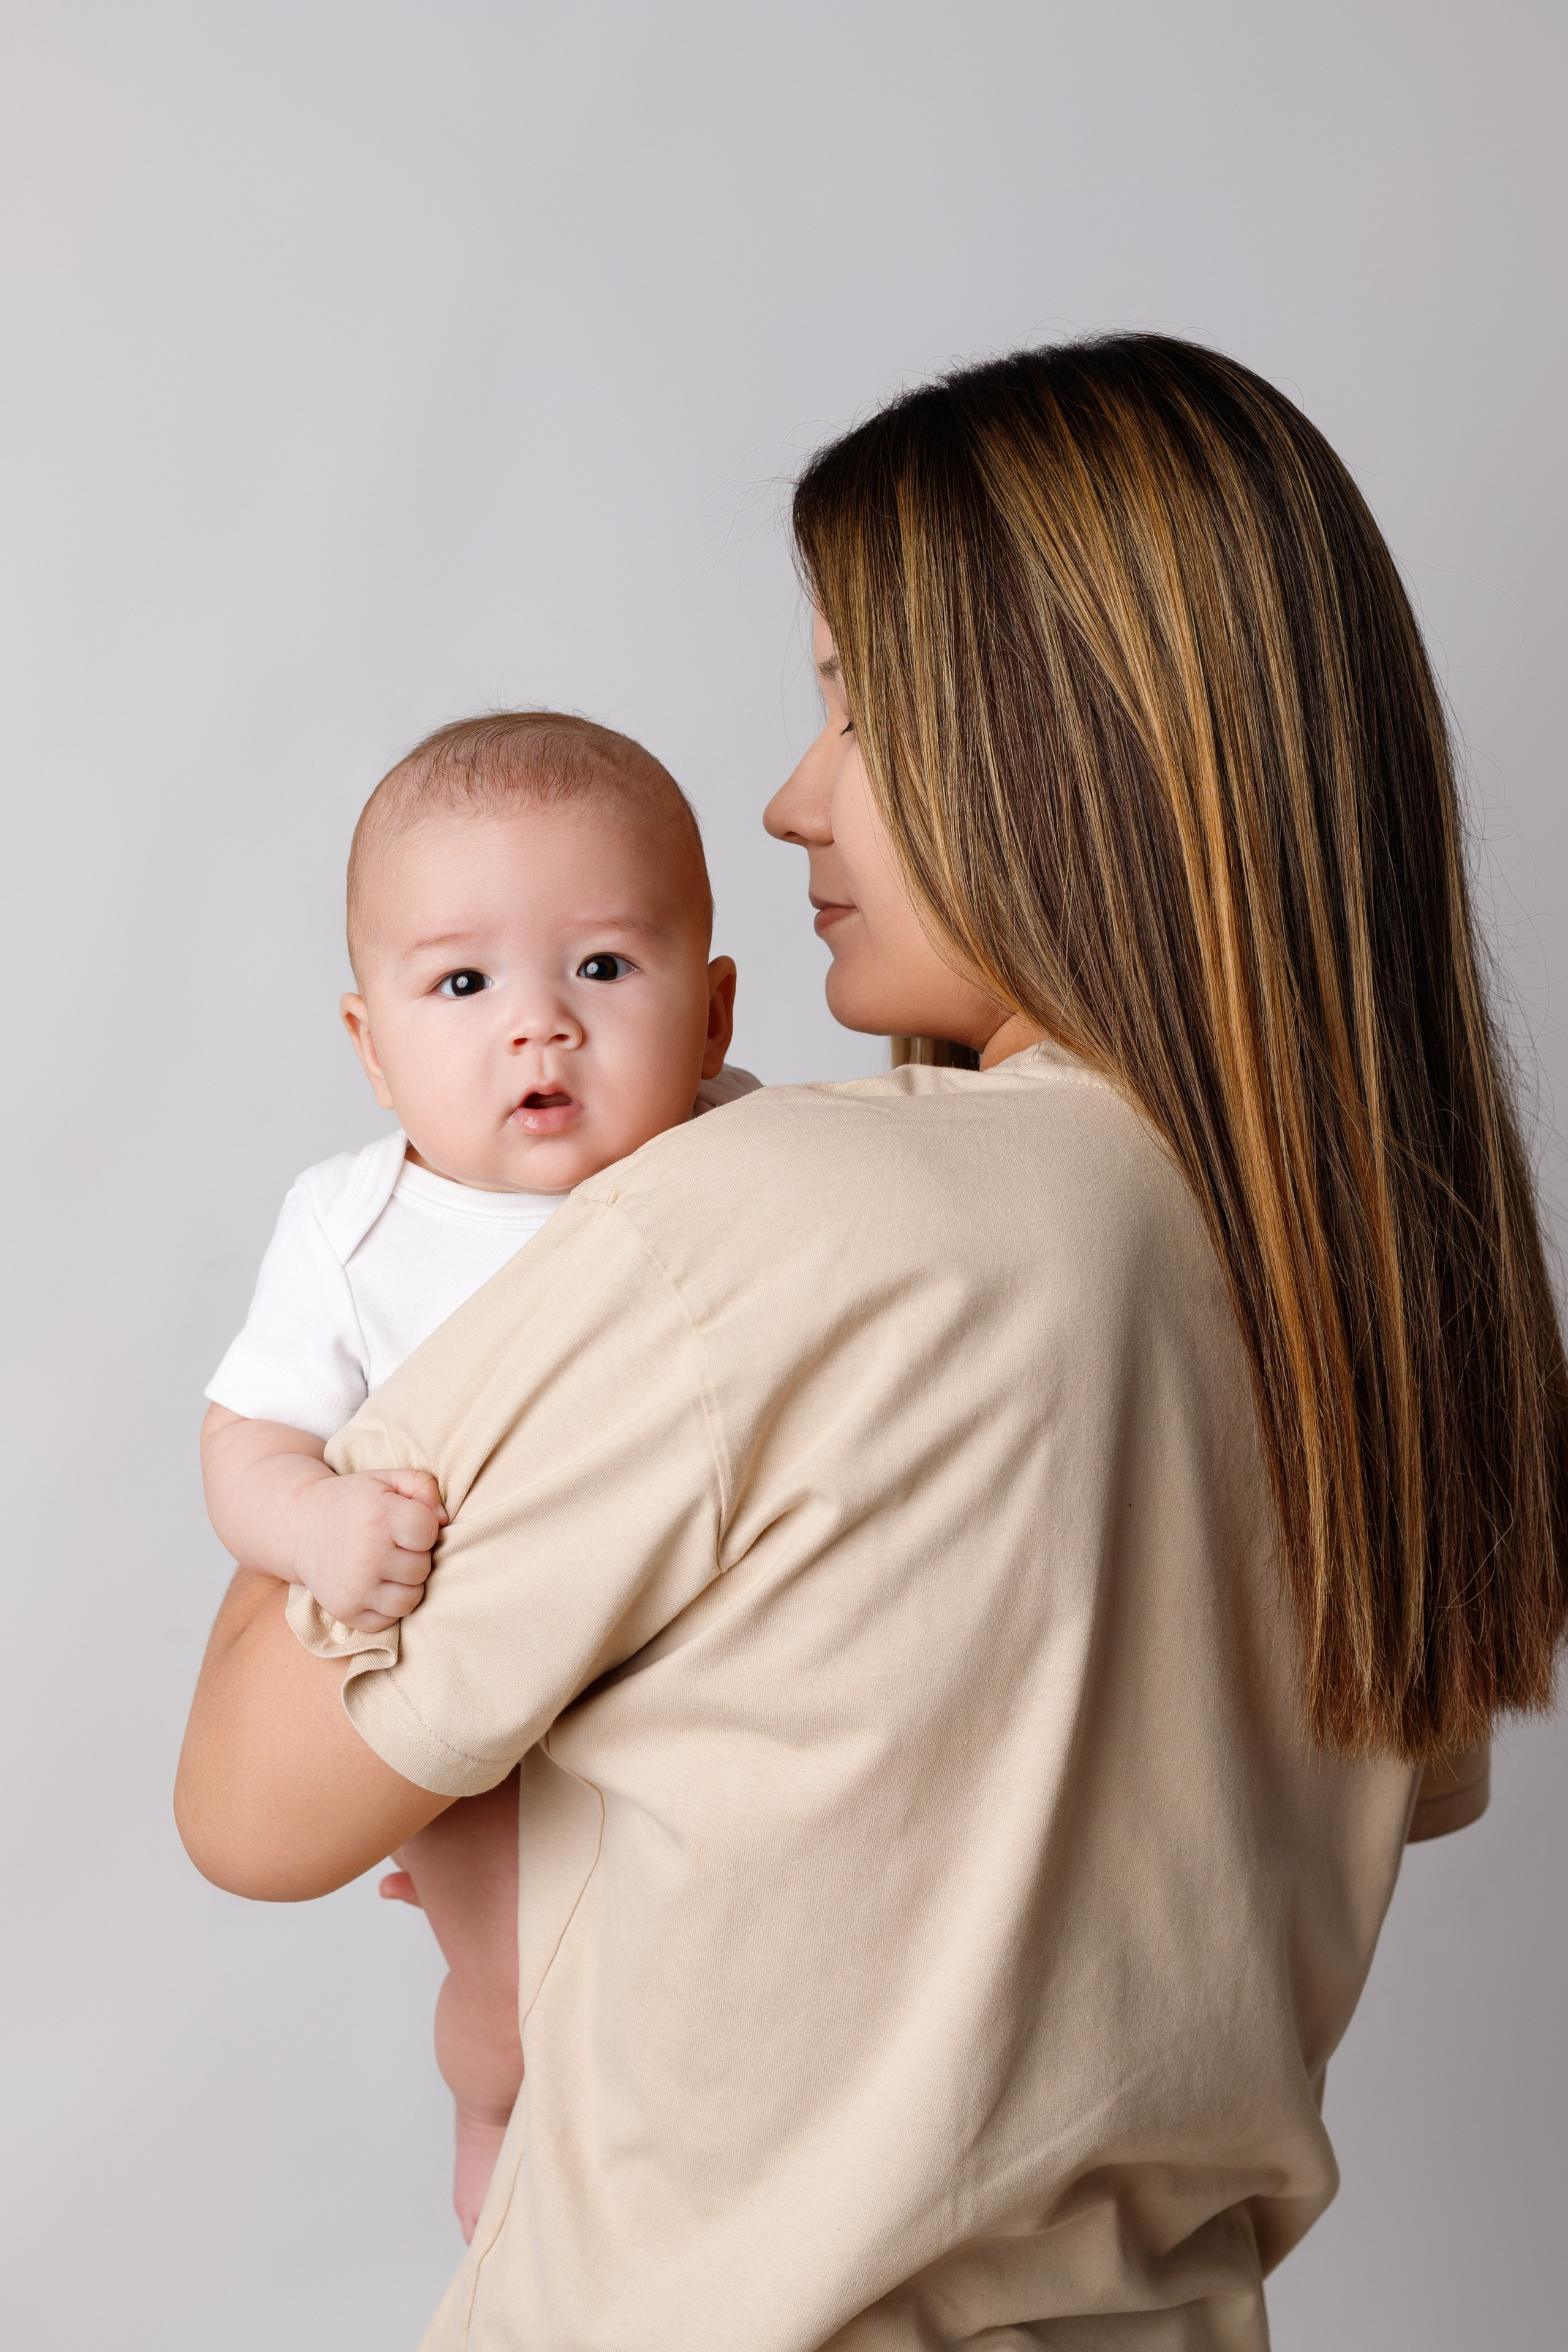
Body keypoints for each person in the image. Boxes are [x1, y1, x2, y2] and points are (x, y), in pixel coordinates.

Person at [176, 334, 1567, 2350]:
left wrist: (411, 1316)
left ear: (1053, 747)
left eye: (852, 706)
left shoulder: (764, 1234)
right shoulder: (1392, 1301)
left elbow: (252, 1809)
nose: (789, 793)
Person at [198, 707, 752, 2237]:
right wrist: (315, 1527)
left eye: (602, 967)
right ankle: (498, 2176)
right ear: (371, 1046)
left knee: (687, 2009)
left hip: (687, 1687)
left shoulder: (742, 1161)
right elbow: (243, 1439)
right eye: (461, 983)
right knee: (516, 2006)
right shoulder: (353, 1228)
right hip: (478, 1722)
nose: (539, 1026)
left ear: (710, 1020)